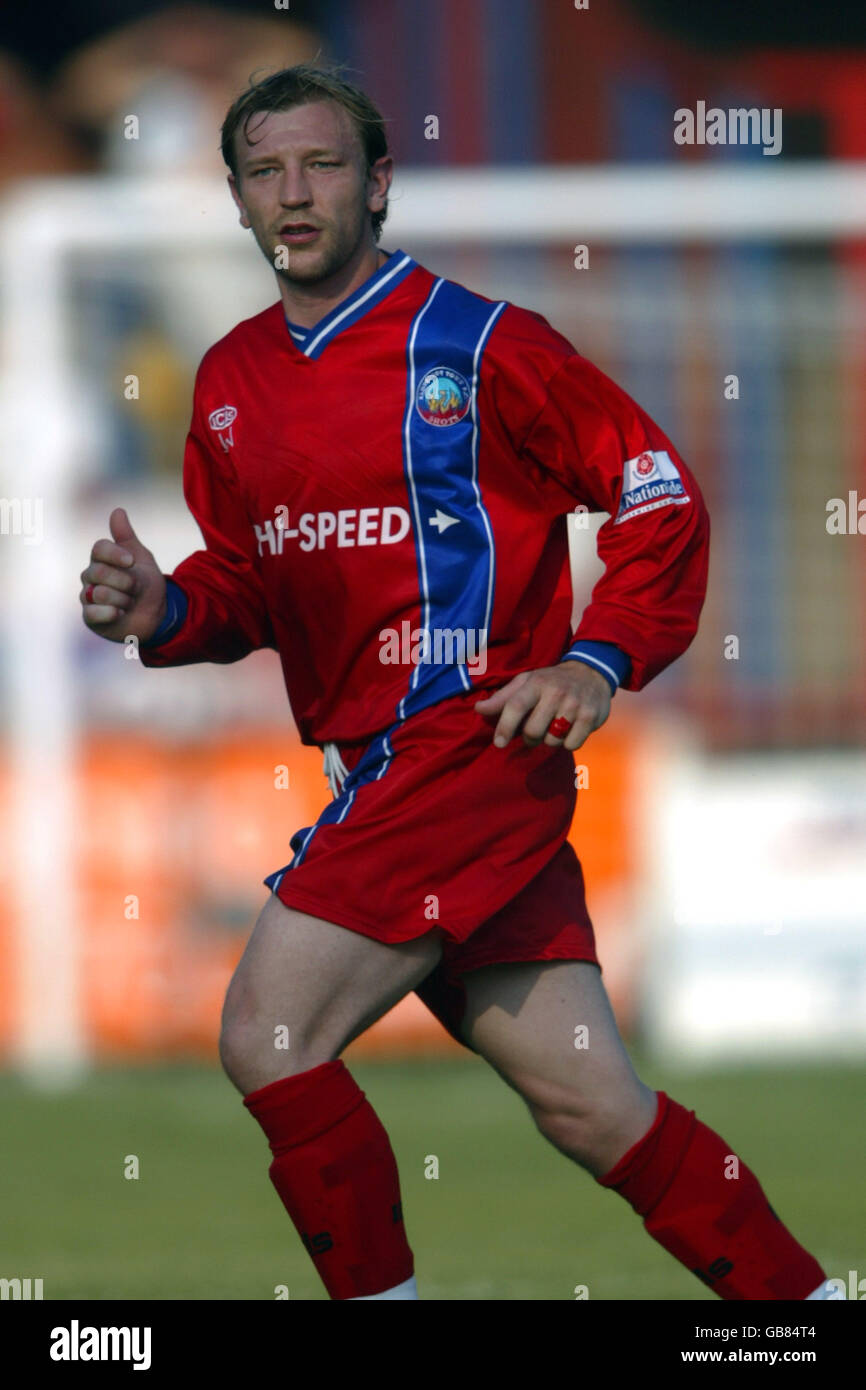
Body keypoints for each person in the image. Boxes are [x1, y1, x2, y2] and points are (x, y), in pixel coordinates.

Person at [80, 64, 836, 1302]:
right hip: (386, 771)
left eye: (322, 165)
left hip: (466, 747)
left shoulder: (482, 345)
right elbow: (253, 589)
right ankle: (803, 1310)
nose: (295, 193)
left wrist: (596, 655)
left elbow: (653, 490)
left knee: (270, 1034)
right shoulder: (225, 387)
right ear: (234, 201)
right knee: (594, 1107)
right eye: (265, 173)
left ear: (380, 182)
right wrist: (163, 605)